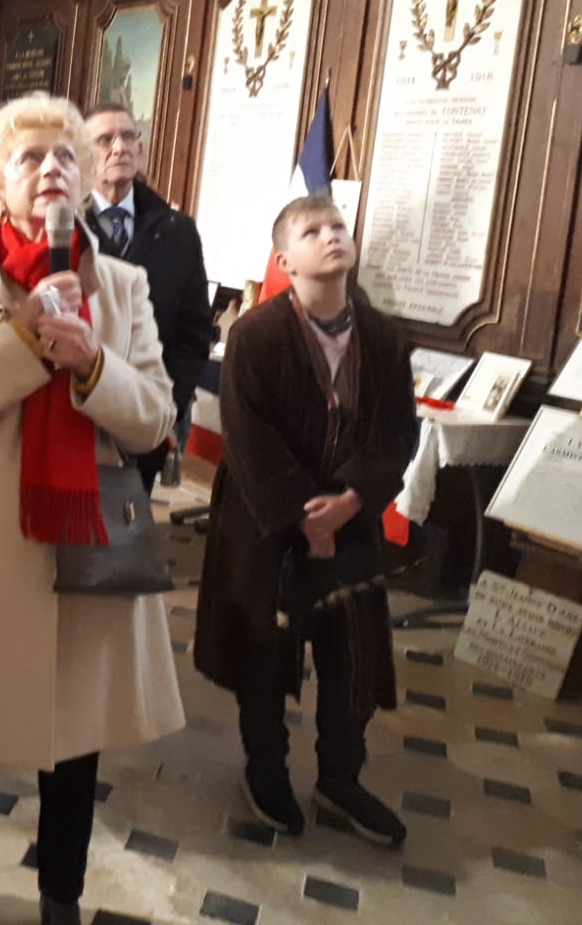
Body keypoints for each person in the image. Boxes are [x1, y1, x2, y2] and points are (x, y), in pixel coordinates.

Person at [0, 92, 183, 925]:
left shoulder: (123, 285)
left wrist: (95, 366)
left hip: (87, 541)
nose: (51, 168)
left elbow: (158, 416)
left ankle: (62, 897)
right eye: (29, 158)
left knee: (75, 742)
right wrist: (18, 340)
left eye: (65, 156)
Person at [193, 194, 418, 848]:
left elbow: (396, 430)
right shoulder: (256, 335)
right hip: (266, 527)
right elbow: (248, 433)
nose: (331, 237)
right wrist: (301, 513)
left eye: (338, 227)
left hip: (350, 522)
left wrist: (352, 499)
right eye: (312, 231)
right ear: (285, 259)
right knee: (263, 653)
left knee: (351, 657)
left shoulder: (382, 336)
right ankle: (265, 770)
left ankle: (340, 781)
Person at [81, 102, 212, 493]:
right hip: (77, 408)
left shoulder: (178, 231)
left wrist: (164, 403)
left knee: (126, 531)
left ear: (140, 149)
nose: (119, 147)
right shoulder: (60, 225)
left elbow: (193, 331)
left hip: (146, 410)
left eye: (128, 136)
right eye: (105, 139)